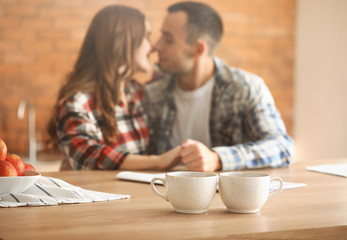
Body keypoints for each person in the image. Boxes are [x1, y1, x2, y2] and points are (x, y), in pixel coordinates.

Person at [145, 1, 294, 172]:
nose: (157, 46)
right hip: (161, 195)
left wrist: (218, 159)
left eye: (168, 39)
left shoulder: (245, 88)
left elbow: (282, 147)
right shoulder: (153, 92)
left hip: (226, 197)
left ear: (198, 49)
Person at [47, 5, 180, 170]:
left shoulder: (136, 93)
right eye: (146, 36)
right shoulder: (78, 103)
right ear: (121, 41)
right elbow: (89, 156)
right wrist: (157, 161)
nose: (152, 46)